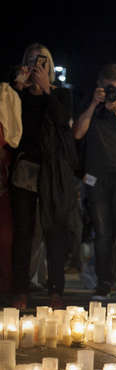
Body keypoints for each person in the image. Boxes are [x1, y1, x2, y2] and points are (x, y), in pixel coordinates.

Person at [10, 43, 78, 309]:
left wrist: (47, 89)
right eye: (31, 61)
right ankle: (20, 290)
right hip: (25, 168)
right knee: (23, 233)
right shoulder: (18, 95)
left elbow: (63, 121)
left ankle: (56, 291)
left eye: (43, 62)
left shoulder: (60, 94)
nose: (37, 66)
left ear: (50, 66)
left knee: (55, 231)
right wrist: (18, 88)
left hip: (53, 171)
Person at [73, 64, 116, 300]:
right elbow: (77, 133)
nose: (112, 92)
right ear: (99, 84)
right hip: (96, 176)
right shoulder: (88, 101)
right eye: (107, 87)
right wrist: (94, 104)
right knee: (101, 233)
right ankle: (104, 282)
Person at [0, 83, 22, 294]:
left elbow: (12, 138)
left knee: (6, 240)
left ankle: (6, 288)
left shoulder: (6, 96)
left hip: (4, 189)